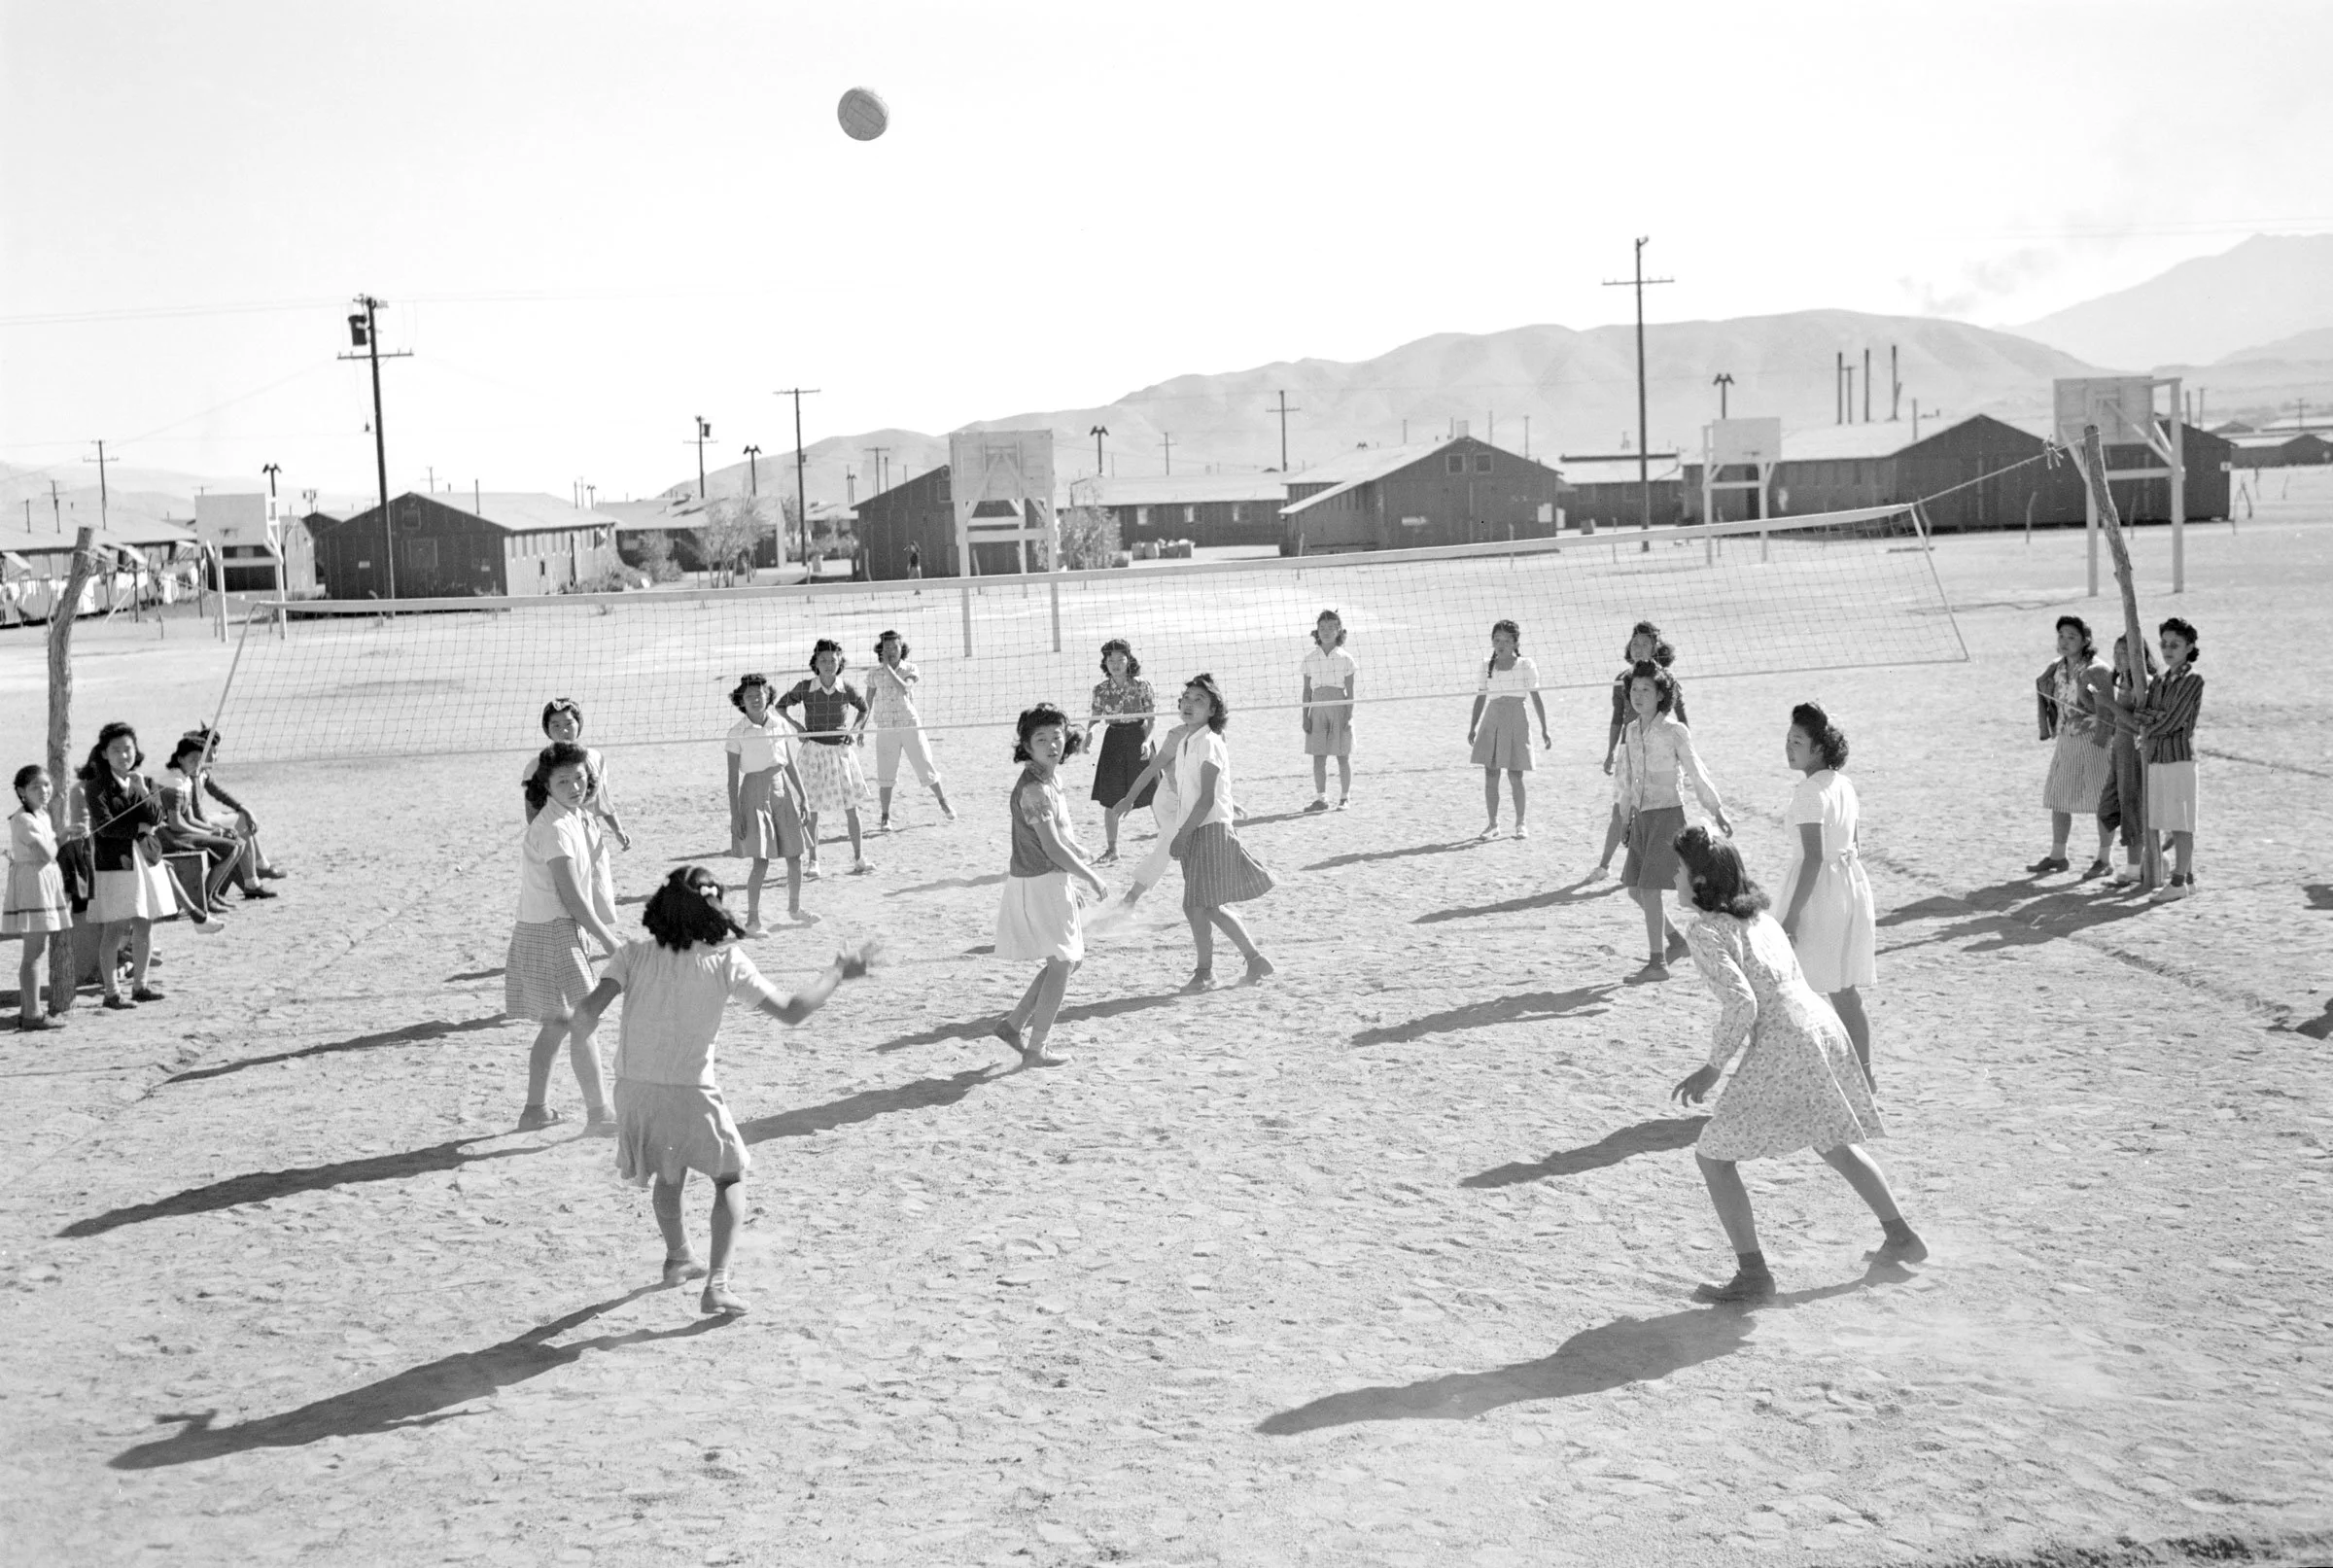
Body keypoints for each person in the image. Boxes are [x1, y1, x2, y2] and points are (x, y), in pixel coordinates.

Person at [571, 865, 876, 1317]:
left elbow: (587, 1014)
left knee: (669, 1171)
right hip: (690, 1088)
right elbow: (791, 1012)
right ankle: (717, 1283)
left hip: (633, 1089)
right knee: (729, 1176)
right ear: (716, 908)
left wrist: (571, 1025)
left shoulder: (632, 954)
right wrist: (836, 972)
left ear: (661, 906)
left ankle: (678, 1257)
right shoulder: (726, 960)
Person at [1667, 826, 1923, 1303]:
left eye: (1679, 871)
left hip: (1785, 1042)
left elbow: (1742, 1004)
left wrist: (1713, 1067)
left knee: (1713, 1158)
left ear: (1700, 882)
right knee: (1832, 1143)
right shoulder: (1759, 917)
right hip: (1820, 1025)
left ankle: (1754, 1276)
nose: (1674, 877)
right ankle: (1902, 1237)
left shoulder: (1704, 929)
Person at [506, 742, 620, 1132]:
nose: (574, 786)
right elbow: (570, 896)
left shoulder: (576, 817)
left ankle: (534, 1110)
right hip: (552, 930)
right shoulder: (554, 828)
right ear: (546, 784)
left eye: (579, 778)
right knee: (581, 1021)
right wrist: (607, 939)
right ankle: (599, 1115)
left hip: (552, 928)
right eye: (563, 780)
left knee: (558, 1023)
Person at [992, 705, 1106, 1068]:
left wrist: (1076, 853)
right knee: (1064, 963)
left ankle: (1013, 1026)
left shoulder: (1046, 780)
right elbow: (1051, 845)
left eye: (1057, 735)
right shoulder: (1035, 789)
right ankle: (1036, 1047)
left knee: (1068, 960)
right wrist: (1090, 875)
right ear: (1026, 745)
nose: (1052, 744)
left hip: (1045, 877)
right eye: (1041, 738)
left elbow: (1058, 838)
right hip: (1040, 880)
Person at [1773, 704, 1878, 1090]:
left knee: (1795, 990)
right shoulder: (1843, 784)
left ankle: (1800, 1079)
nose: (1789, 748)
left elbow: (1813, 857)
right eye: (1787, 740)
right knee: (1842, 988)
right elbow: (1854, 843)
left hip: (1815, 894)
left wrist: (1790, 917)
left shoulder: (1808, 792)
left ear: (1818, 748)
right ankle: (1864, 1076)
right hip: (1849, 888)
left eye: (1797, 742)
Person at [1615, 662, 1731, 979]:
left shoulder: (1674, 730)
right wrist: (1626, 819)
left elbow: (1696, 771)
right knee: (1636, 891)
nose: (1638, 695)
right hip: (1642, 818)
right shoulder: (1631, 731)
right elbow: (1628, 781)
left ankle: (1657, 964)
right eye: (1635, 689)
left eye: (1646, 690)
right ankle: (1676, 941)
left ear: (1661, 694)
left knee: (1650, 889)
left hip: (1668, 816)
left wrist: (1716, 809)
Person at [1169, 674, 1276, 992]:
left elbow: (1206, 799)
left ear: (1213, 709)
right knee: (1208, 905)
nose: (1189, 704)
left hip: (1209, 829)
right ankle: (1255, 961)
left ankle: (1205, 973)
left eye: (1198, 700)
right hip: (1197, 829)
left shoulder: (1209, 741)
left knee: (1196, 905)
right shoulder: (1188, 740)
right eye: (1186, 698)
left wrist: (1181, 835)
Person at [74, 722, 177, 1010]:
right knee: (115, 927)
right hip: (115, 863)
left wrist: (142, 791)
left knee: (145, 924)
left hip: (145, 860)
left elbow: (157, 818)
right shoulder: (96, 787)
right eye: (116, 750)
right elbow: (105, 827)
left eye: (128, 749)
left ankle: (141, 985)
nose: (123, 755)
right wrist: (139, 826)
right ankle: (111, 992)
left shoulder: (145, 781)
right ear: (104, 754)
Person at [1594, 622, 1689, 879]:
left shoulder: (1667, 680)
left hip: (1659, 753)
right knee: (1621, 808)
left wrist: (1684, 757)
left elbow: (1681, 719)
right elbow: (1617, 718)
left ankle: (1657, 866)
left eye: (1645, 643)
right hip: (1629, 751)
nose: (1638, 648)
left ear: (1656, 648)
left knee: (1656, 811)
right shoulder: (1622, 680)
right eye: (1634, 643)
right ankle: (1604, 865)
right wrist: (1610, 751)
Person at [778, 640, 875, 877]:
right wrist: (797, 726)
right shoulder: (806, 687)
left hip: (840, 753)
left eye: (833, 660)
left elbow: (863, 709)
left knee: (852, 808)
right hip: (814, 751)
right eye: (823, 660)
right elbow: (781, 706)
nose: (828, 664)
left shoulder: (846, 688)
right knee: (811, 809)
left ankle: (859, 858)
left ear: (840, 662)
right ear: (815, 663)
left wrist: (855, 730)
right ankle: (813, 861)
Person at [724, 673, 808, 932]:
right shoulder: (737, 733)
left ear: (768, 696)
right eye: (749, 696)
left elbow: (789, 761)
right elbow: (731, 780)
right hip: (753, 795)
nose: (755, 699)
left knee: (794, 855)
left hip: (781, 790)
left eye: (759, 694)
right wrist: (735, 816)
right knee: (761, 860)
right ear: (742, 700)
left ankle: (795, 909)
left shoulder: (778, 723)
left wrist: (802, 795)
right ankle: (752, 920)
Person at [2031, 614, 2111, 875]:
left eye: (2072, 637)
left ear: (2086, 641)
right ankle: (2058, 855)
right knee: (2060, 797)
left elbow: (2108, 707)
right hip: (2067, 737)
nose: (2065, 641)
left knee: (2101, 798)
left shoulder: (2097, 668)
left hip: (2094, 739)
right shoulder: (2056, 668)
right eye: (2062, 636)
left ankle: (2104, 859)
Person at [157, 735, 268, 917]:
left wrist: (216, 831)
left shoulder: (185, 779)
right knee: (231, 846)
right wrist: (213, 833)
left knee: (237, 842)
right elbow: (176, 823)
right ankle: (206, 899)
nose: (197, 765)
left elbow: (191, 819)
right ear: (180, 759)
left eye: (200, 761)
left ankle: (214, 894)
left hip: (178, 832)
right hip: (168, 836)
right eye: (192, 760)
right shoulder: (173, 782)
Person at [2135, 617, 2205, 902]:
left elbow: (2175, 719)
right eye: (2164, 644)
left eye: (2175, 644)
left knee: (2181, 822)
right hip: (2159, 756)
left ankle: (2178, 881)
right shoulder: (2160, 680)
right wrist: (2151, 722)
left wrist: (2148, 727)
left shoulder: (2193, 680)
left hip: (2179, 757)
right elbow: (2145, 713)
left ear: (2189, 647)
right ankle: (2187, 876)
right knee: (2166, 818)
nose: (2168, 649)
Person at [1468, 618, 1552, 840]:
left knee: (1516, 776)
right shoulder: (1487, 666)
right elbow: (1480, 698)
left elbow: (1536, 698)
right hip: (1492, 720)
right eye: (1497, 640)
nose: (1501, 644)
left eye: (1506, 640)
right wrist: (1472, 727)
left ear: (1515, 642)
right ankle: (1493, 824)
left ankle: (1521, 823)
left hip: (1516, 721)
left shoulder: (1525, 665)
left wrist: (1544, 729)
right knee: (1491, 775)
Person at [2087, 634, 2157, 888]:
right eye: (2116, 652)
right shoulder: (2123, 682)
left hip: (2134, 755)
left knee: (2132, 810)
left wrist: (2109, 705)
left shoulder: (2143, 683)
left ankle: (2135, 868)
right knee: (2108, 807)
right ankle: (2141, 859)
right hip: (2119, 752)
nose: (2118, 657)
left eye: (2125, 652)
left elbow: (2140, 727)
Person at [6, 765, 71, 1030]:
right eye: (35, 787)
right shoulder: (22, 820)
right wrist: (64, 836)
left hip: (43, 882)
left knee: (37, 949)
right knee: (33, 951)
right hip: (33, 884)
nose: (44, 791)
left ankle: (29, 1009)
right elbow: (47, 853)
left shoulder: (40, 815)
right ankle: (32, 1014)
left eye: (46, 785)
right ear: (22, 792)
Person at [868, 631, 953, 832]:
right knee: (886, 773)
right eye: (887, 648)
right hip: (886, 727)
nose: (891, 651)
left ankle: (943, 802)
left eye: (895, 647)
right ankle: (885, 816)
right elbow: (868, 701)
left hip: (909, 724)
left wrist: (889, 670)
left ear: (901, 649)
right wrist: (860, 727)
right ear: (881, 649)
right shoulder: (873, 673)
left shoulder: (910, 668)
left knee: (924, 764)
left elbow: (905, 688)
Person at [178, 726, 286, 882]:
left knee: (241, 817)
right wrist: (216, 830)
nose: (215, 757)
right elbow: (195, 813)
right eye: (211, 752)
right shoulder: (193, 775)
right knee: (240, 821)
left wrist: (243, 807)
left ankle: (258, 870)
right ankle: (256, 875)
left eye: (216, 752)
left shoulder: (202, 772)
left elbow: (219, 793)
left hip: (199, 820)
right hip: (194, 824)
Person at [1085, 638, 1157, 863]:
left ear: (1128, 660)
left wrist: (1146, 741)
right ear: (1104, 662)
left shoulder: (1141, 685)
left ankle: (1170, 840)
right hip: (1114, 741)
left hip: (1139, 738)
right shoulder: (1100, 690)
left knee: (1156, 795)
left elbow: (1152, 720)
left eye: (1120, 659)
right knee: (1111, 799)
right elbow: (1096, 718)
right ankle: (1112, 849)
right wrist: (1090, 733)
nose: (1115, 664)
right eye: (1110, 659)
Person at [1300, 610, 1357, 812]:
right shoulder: (1310, 659)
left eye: (1331, 627)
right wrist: (1305, 717)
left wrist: (1348, 715)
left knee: (1342, 755)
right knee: (1318, 756)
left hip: (1338, 707)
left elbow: (1350, 691)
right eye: (1322, 628)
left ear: (1339, 630)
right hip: (1317, 708)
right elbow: (1306, 690)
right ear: (1317, 631)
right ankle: (1321, 798)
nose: (1326, 631)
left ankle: (1344, 797)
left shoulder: (1346, 658)